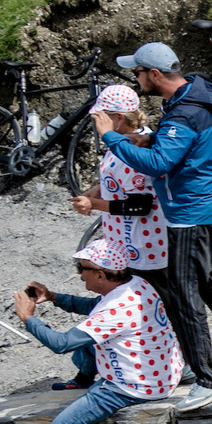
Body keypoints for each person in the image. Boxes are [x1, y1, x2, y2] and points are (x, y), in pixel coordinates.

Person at [101, 42, 212, 409]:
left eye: (137, 72)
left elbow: (158, 164)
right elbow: (183, 146)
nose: (136, 80)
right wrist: (152, 137)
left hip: (189, 216)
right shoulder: (200, 93)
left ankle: (206, 378)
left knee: (186, 298)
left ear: (155, 74)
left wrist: (112, 136)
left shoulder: (183, 114)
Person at [16, 239, 184, 424]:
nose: (79, 274)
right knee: (89, 343)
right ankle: (82, 380)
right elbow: (94, 308)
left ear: (101, 274)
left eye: (82, 269)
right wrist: (54, 297)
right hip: (164, 369)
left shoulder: (116, 309)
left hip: (135, 385)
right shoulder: (136, 284)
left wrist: (28, 318)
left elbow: (61, 344)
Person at [68, 85, 169, 369]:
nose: (95, 123)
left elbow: (142, 204)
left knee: (155, 303)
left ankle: (168, 359)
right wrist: (92, 193)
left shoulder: (139, 144)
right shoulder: (118, 143)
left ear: (119, 118)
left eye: (101, 117)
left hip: (146, 246)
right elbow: (111, 178)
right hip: (125, 241)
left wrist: (95, 207)